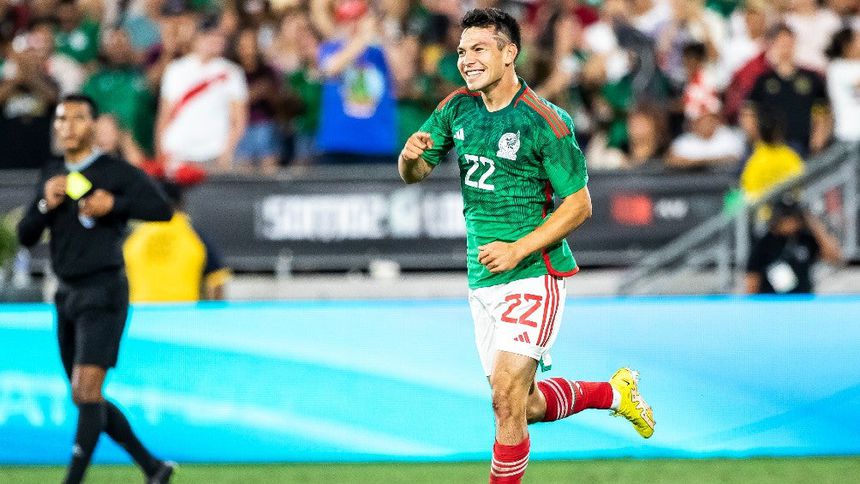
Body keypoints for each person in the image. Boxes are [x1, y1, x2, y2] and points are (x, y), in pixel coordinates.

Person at [397, 9, 654, 484]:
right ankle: (614, 394)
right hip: (483, 278)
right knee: (524, 405)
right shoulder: (456, 108)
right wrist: (409, 159)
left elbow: (579, 205)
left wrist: (518, 249)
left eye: (479, 49)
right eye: (462, 51)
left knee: (504, 399)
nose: (466, 60)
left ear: (509, 53)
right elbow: (415, 174)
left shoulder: (545, 121)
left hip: (534, 273)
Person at [16, 94, 175, 484]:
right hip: (66, 293)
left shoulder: (114, 171)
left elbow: (162, 210)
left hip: (103, 290)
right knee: (84, 396)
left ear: (93, 125)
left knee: (86, 391)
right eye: (61, 119)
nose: (68, 126)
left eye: (78, 118)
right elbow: (25, 235)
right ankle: (154, 468)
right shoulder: (53, 173)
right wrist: (44, 204)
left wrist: (115, 204)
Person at [155, 14, 248, 173]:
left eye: (220, 36)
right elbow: (165, 114)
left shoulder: (232, 72)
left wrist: (227, 151)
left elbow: (239, 119)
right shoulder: (175, 69)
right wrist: (160, 150)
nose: (217, 40)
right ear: (197, 37)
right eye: (211, 35)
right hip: (177, 150)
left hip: (213, 152)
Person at [124, 181, 232, 303]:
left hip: (139, 310)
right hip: (184, 310)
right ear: (181, 203)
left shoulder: (134, 236)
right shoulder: (194, 235)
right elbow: (217, 280)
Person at [745, 196, 842, 294]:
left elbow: (834, 257)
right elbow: (752, 282)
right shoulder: (763, 245)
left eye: (794, 216)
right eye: (785, 217)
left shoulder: (804, 239)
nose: (790, 222)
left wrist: (813, 224)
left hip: (803, 299)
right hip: (773, 300)